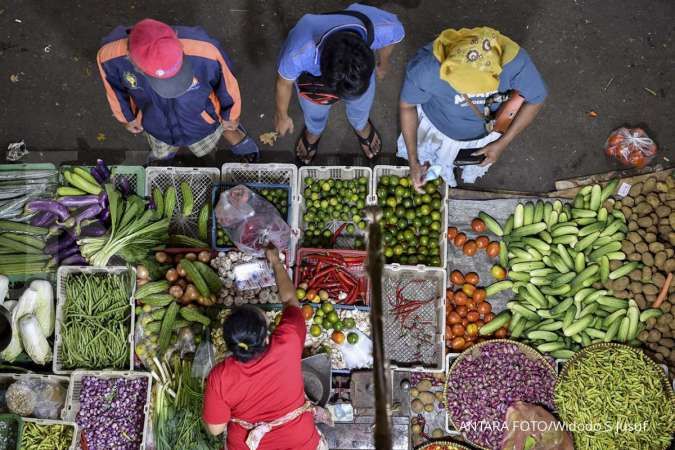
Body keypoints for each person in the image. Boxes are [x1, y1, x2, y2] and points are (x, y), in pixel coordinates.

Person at [203, 246, 328, 450]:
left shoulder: (220, 376)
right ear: (267, 336)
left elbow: (216, 429)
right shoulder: (288, 342)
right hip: (300, 442)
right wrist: (276, 262)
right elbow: (290, 300)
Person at [398, 27, 547, 190]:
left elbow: (536, 100)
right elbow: (407, 107)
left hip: (484, 132)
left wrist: (502, 143)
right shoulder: (427, 70)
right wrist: (414, 159)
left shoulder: (514, 63)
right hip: (437, 125)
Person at [96, 18, 259, 163]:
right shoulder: (110, 57)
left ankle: (236, 136)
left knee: (205, 143)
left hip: (201, 121)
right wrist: (127, 118)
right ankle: (164, 156)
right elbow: (114, 90)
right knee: (161, 149)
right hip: (156, 124)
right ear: (133, 62)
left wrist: (230, 115)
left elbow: (227, 84)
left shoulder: (205, 50)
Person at [274, 3, 405, 164]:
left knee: (361, 105)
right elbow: (284, 83)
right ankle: (314, 130)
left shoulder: (383, 27)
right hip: (314, 82)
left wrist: (383, 62)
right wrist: (282, 115)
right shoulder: (299, 53)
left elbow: (391, 39)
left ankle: (361, 125)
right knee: (314, 111)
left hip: (352, 72)